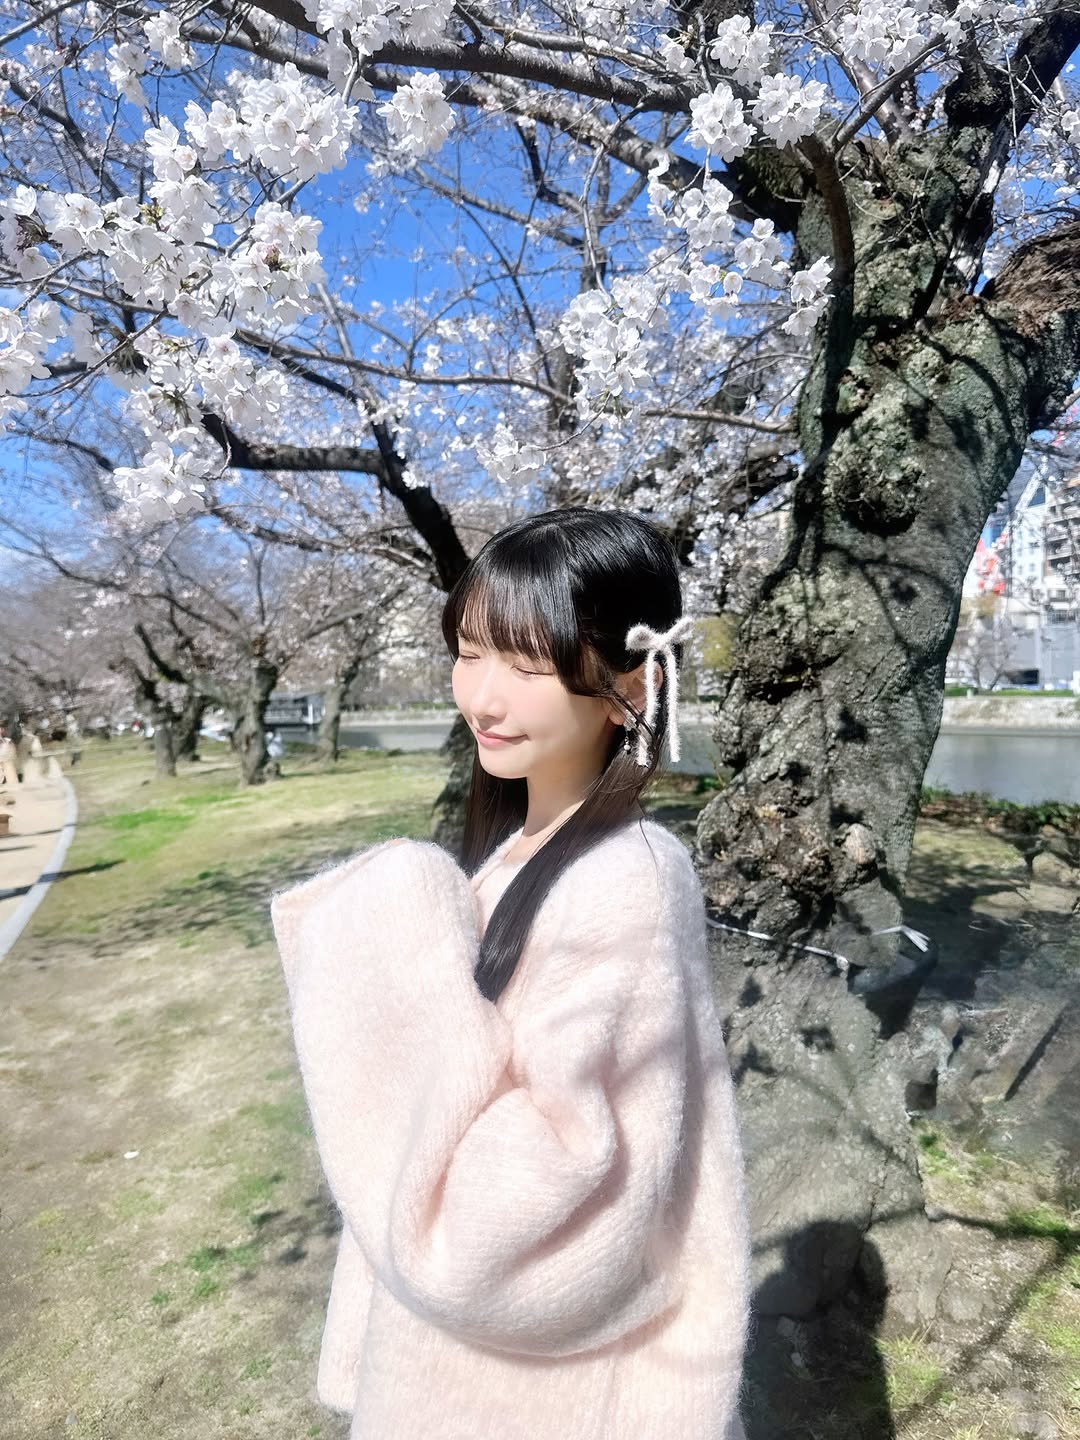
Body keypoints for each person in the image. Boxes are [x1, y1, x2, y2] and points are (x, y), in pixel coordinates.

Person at [271, 508, 751, 1440]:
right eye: (468, 653)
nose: (482, 699)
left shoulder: (626, 879)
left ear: (633, 682)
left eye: (526, 667)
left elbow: (551, 1205)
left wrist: (383, 947)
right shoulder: (525, 852)